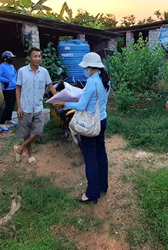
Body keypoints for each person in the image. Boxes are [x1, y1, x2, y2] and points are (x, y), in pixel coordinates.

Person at [55, 52, 110, 204]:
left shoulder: (92, 81)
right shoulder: (105, 80)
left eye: (86, 67)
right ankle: (103, 185)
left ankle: (92, 193)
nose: (84, 69)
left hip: (90, 124)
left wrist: (64, 104)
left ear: (91, 67)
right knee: (101, 152)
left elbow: (81, 106)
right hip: (102, 120)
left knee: (90, 157)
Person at [14, 47, 57, 164]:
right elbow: (18, 88)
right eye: (35, 56)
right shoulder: (22, 71)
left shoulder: (44, 72)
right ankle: (30, 155)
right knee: (26, 134)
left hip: (38, 107)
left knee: (38, 131)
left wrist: (58, 98)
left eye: (39, 56)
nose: (38, 59)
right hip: (25, 108)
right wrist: (19, 106)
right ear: (29, 58)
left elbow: (51, 86)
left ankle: (20, 148)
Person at [0, 50, 18, 131]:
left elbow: (15, 74)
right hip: (7, 89)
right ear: (5, 58)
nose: (11, 59)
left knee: (12, 104)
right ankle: (1, 123)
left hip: (13, 87)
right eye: (10, 57)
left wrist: (15, 82)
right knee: (8, 105)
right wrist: (6, 81)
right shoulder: (2, 66)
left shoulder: (11, 66)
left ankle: (9, 119)